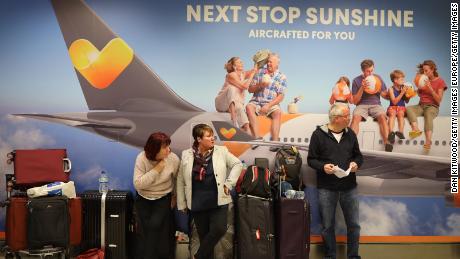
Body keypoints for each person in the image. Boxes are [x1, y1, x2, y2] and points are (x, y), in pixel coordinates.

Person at [176, 123, 242, 259]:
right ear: (199, 139)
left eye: (213, 136)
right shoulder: (187, 155)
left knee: (219, 229)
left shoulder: (221, 151)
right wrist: (181, 203)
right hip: (197, 202)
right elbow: (181, 180)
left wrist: (229, 184)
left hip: (218, 201)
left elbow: (237, 164)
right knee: (205, 238)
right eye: (208, 136)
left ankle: (198, 256)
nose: (212, 138)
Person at [307, 103, 363, 259]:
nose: (349, 118)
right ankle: (330, 256)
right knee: (327, 226)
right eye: (347, 116)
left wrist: (356, 163)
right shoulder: (318, 135)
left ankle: (353, 256)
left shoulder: (350, 133)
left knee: (354, 226)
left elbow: (359, 156)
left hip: (349, 188)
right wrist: (323, 166)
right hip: (326, 188)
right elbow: (311, 160)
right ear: (337, 118)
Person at [133, 132, 180, 259]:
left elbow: (178, 180)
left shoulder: (173, 159)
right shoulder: (141, 158)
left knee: (156, 227)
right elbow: (138, 184)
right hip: (143, 197)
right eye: (164, 148)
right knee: (144, 231)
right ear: (154, 149)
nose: (168, 150)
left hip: (163, 198)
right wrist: (157, 169)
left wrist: (175, 196)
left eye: (168, 146)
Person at [350, 59, 392, 152]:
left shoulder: (378, 78)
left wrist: (389, 94)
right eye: (368, 71)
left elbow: (385, 95)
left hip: (376, 104)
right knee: (356, 118)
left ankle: (387, 143)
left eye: (372, 70)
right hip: (362, 105)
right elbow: (355, 102)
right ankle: (350, 143)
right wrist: (362, 88)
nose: (370, 73)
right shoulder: (356, 80)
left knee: (382, 117)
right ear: (363, 70)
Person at [406, 60, 447, 151]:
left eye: (426, 71)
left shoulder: (440, 81)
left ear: (432, 70)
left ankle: (428, 141)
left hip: (432, 106)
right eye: (423, 71)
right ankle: (416, 129)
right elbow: (418, 93)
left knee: (428, 116)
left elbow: (439, 100)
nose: (424, 73)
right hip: (421, 106)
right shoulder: (423, 80)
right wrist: (409, 92)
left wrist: (430, 88)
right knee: (408, 109)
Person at [246, 53, 287, 143]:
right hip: (256, 102)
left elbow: (281, 96)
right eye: (268, 62)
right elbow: (250, 89)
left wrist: (268, 106)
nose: (268, 64)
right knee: (249, 107)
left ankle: (275, 142)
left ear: (277, 64)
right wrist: (261, 85)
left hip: (270, 103)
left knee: (278, 112)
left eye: (271, 62)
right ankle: (257, 138)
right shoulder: (260, 72)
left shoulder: (282, 77)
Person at [215, 57, 258, 134]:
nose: (242, 63)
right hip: (222, 102)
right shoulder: (231, 75)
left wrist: (258, 61)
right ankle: (233, 118)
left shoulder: (243, 74)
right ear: (234, 66)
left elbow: (255, 70)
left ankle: (250, 137)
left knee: (241, 109)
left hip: (234, 103)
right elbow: (244, 87)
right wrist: (252, 75)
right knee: (231, 88)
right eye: (239, 62)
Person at [387, 70, 409, 144]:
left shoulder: (403, 88)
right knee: (392, 114)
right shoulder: (391, 89)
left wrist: (407, 95)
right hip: (392, 107)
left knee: (401, 115)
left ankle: (400, 132)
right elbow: (394, 102)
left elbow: (406, 101)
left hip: (401, 108)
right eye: (401, 79)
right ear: (395, 80)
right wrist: (402, 93)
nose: (403, 81)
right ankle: (391, 133)